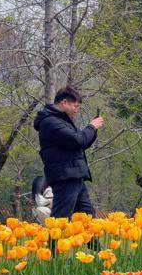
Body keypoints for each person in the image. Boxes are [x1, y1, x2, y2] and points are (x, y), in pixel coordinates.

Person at [34, 85, 103, 218]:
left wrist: (93, 130)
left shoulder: (63, 121)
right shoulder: (50, 122)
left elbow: (81, 144)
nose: (76, 110)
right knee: (62, 219)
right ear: (64, 102)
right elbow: (78, 140)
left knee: (87, 218)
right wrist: (91, 126)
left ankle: (91, 240)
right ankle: (53, 239)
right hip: (65, 176)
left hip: (74, 175)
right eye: (75, 106)